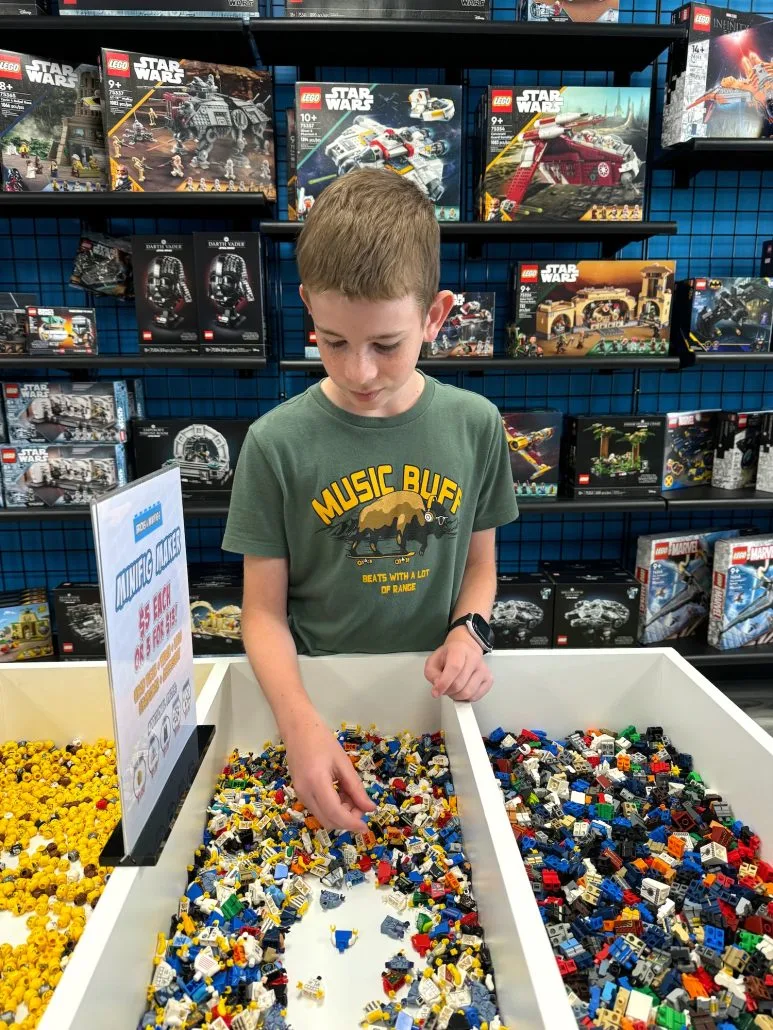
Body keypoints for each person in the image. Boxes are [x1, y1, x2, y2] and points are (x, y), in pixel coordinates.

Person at [222, 168, 518, 833]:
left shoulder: (474, 425)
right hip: (313, 696)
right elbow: (262, 614)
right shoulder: (275, 443)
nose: (358, 372)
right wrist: (297, 723)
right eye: (333, 340)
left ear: (435, 316)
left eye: (386, 345)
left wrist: (469, 631)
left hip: (430, 700)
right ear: (307, 309)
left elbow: (478, 567)